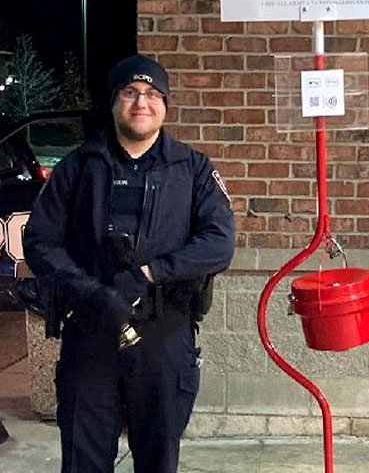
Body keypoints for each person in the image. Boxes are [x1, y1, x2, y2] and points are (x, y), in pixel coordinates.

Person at [24, 55, 235, 473]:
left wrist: (150, 273)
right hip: (91, 331)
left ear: (166, 106)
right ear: (114, 101)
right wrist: (92, 292)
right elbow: (40, 241)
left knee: (158, 459)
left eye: (153, 94)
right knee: (84, 459)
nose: (142, 102)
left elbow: (219, 242)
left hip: (163, 333)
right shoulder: (78, 167)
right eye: (131, 92)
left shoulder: (192, 168)